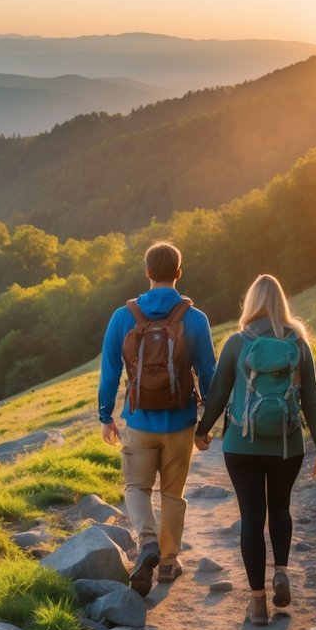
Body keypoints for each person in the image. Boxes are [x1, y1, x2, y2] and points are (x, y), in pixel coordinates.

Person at [195, 274, 316, 626]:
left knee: (252, 519)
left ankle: (257, 603)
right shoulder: (298, 342)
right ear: (282, 302)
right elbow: (312, 402)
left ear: (251, 303)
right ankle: (281, 572)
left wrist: (202, 431)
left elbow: (219, 394)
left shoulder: (238, 343)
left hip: (241, 446)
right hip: (287, 444)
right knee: (281, 507)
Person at [99, 241, 216, 596]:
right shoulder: (194, 318)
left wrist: (106, 416)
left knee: (136, 487)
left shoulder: (123, 317)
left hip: (137, 423)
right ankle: (167, 562)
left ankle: (147, 542)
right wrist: (206, 423)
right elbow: (208, 372)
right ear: (179, 273)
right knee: (172, 493)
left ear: (147, 272)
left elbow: (109, 372)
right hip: (180, 423)